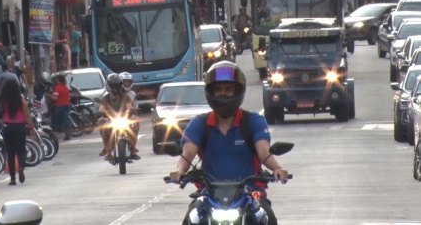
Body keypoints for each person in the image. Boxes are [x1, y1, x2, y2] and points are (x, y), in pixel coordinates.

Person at [169, 61, 289, 225]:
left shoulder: (253, 121)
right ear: (211, 92)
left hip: (251, 193)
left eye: (228, 89)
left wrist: (277, 169)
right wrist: (180, 172)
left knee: (267, 217)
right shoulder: (199, 123)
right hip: (209, 195)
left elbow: (263, 151)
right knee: (191, 219)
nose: (223, 94)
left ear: (237, 91)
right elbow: (187, 153)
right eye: (218, 89)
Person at [0, 78, 36, 186]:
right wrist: (32, 129)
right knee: (21, 150)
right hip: (19, 127)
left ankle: (12, 179)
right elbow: (27, 116)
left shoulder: (2, 100)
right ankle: (21, 167)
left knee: (10, 152)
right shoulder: (20, 99)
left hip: (7, 128)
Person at [98, 73, 140, 160]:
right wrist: (105, 111)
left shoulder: (125, 97)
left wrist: (130, 110)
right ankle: (108, 151)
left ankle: (132, 150)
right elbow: (101, 109)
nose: (115, 94)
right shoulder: (105, 97)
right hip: (110, 120)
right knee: (101, 122)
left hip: (124, 119)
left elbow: (129, 107)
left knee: (135, 120)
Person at [50, 74, 72, 140]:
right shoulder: (66, 87)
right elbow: (69, 96)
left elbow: (54, 98)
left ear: (58, 80)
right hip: (67, 105)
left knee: (55, 120)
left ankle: (54, 135)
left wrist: (48, 96)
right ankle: (67, 134)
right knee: (65, 120)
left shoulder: (57, 88)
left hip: (58, 106)